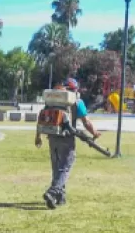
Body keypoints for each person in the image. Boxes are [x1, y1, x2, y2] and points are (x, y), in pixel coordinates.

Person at [35, 78, 101, 209]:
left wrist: (38, 136)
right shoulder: (76, 101)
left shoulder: (52, 100)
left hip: (52, 136)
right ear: (75, 89)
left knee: (56, 167)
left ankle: (60, 197)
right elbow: (86, 122)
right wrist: (94, 133)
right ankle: (52, 192)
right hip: (67, 137)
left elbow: (42, 117)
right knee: (66, 166)